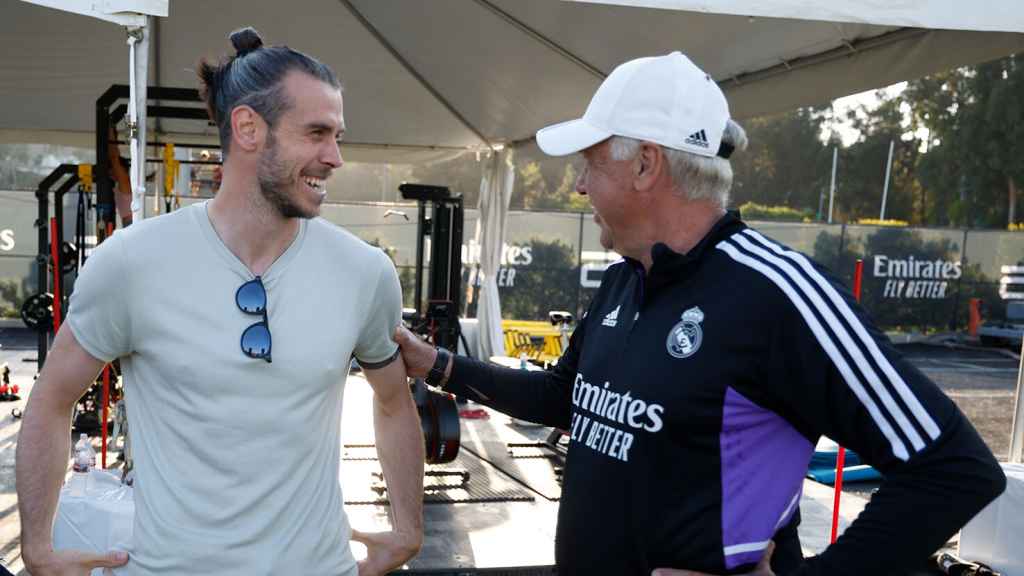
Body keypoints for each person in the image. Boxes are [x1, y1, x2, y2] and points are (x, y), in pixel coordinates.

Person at [393, 52, 1006, 576]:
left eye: (590, 163)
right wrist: (436, 364)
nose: (578, 185)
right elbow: (565, 397)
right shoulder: (625, 279)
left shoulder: (777, 293)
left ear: (645, 164)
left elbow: (953, 469)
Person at [17, 27, 424, 576]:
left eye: (337, 136)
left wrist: (408, 528)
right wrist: (37, 548)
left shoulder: (364, 271)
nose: (334, 157)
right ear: (248, 127)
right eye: (317, 133)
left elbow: (394, 402)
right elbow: (50, 400)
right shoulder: (132, 262)